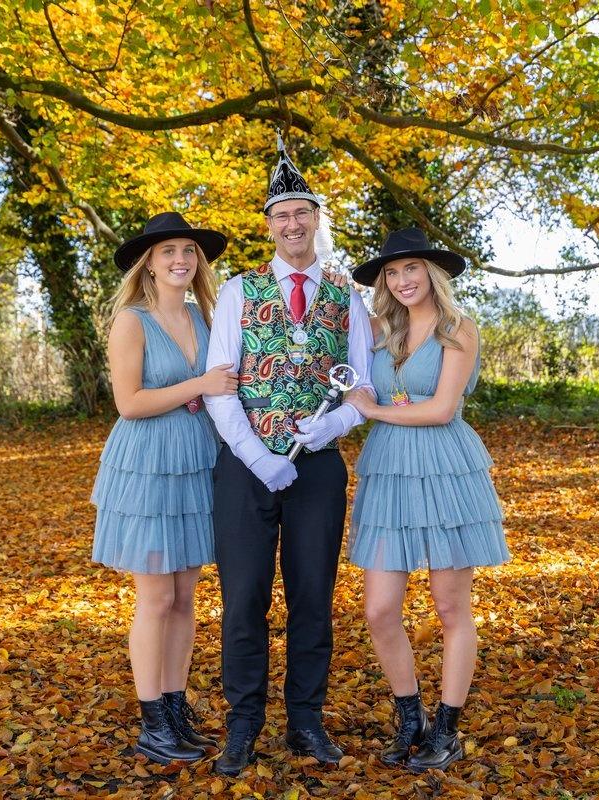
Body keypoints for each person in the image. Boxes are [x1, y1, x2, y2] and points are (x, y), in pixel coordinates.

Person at [202, 141, 373, 776]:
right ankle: (243, 723)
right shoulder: (237, 292)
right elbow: (219, 385)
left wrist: (332, 423)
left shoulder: (346, 294)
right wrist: (256, 456)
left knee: (312, 596)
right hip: (245, 468)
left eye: (302, 213)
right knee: (244, 597)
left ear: (316, 219)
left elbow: (362, 388)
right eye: (282, 215)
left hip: (318, 470)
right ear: (269, 225)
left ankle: (306, 720)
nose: (293, 224)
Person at [344, 226, 510, 771]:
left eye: (410, 268)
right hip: (389, 469)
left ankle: (447, 729)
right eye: (391, 273)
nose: (401, 280)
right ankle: (409, 717)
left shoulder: (459, 329)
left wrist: (373, 410)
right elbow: (331, 335)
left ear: (431, 272)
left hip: (444, 468)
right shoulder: (380, 329)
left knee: (449, 606)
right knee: (379, 609)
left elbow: (441, 409)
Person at [90, 211, 237, 764]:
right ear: (148, 263)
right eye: (169, 251)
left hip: (196, 460)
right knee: (155, 598)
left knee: (184, 597)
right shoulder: (131, 322)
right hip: (150, 463)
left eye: (189, 251)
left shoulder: (203, 316)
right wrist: (199, 384)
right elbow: (129, 403)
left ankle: (175, 709)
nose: (181, 259)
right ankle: (152, 721)